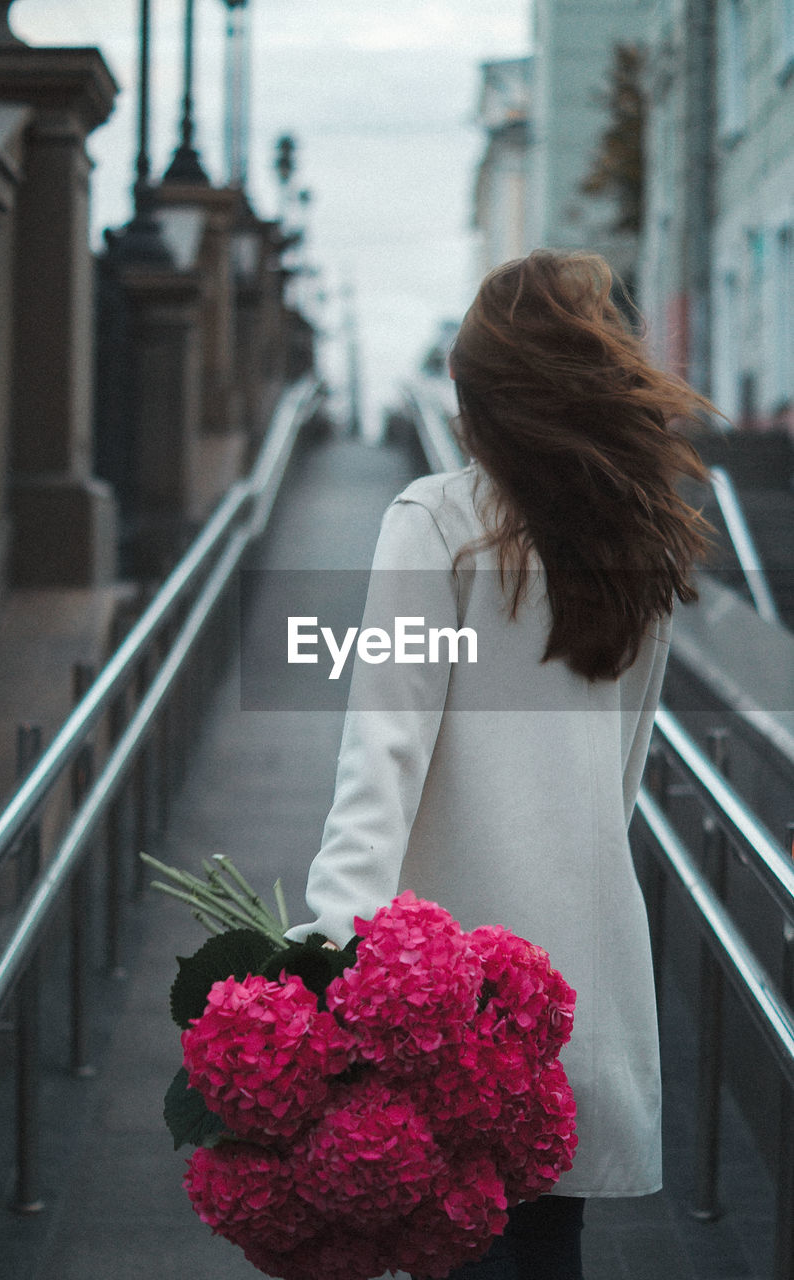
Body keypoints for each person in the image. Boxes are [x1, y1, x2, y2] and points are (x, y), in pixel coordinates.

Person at [285, 250, 715, 1279]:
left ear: (482, 396)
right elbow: (625, 762)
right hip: (573, 974)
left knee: (454, 1247)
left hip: (446, 986)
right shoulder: (640, 535)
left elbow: (383, 747)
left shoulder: (439, 522)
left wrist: (332, 943)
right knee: (544, 1245)